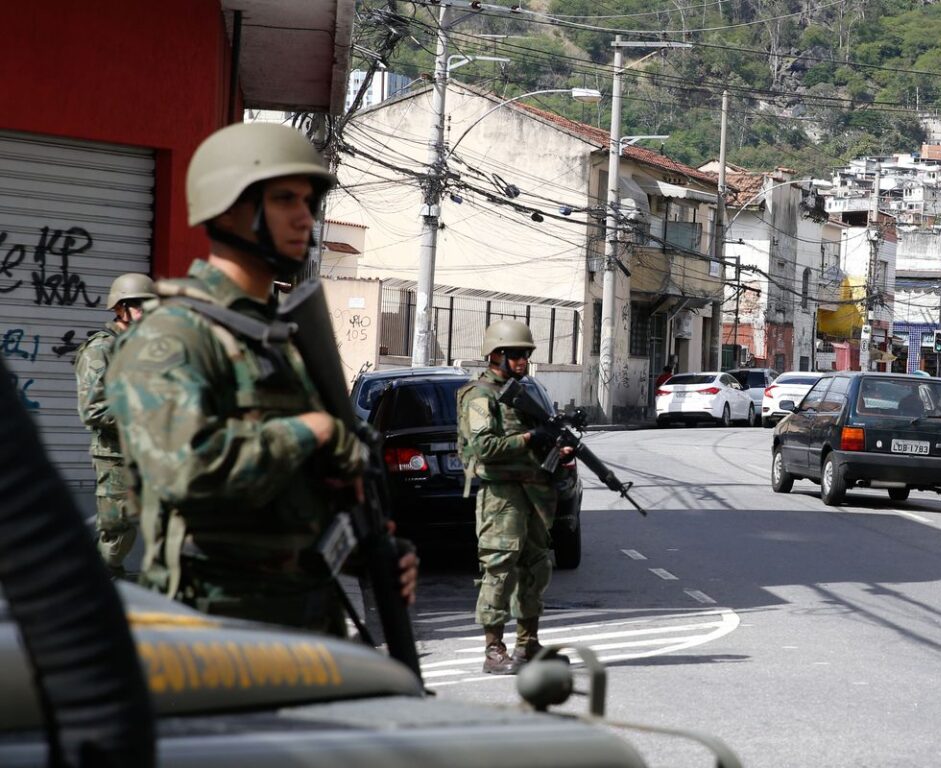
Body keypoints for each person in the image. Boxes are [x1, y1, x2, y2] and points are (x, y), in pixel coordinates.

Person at [107, 123, 416, 634]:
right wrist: (311, 431)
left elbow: (296, 501)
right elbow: (186, 471)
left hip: (309, 624)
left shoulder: (283, 339)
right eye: (284, 200)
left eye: (309, 201)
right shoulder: (173, 337)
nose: (305, 218)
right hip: (216, 634)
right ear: (228, 208)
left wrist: (367, 549)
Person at [457, 319, 571, 674]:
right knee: (500, 570)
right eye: (516, 354)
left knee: (535, 568)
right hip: (502, 496)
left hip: (535, 493)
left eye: (526, 355)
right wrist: (528, 439)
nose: (523, 361)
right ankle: (494, 650)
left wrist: (557, 449)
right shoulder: (480, 396)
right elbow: (485, 447)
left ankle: (528, 646)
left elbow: (538, 438)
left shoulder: (526, 393)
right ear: (495, 354)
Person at [75, 273, 156, 578]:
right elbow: (93, 409)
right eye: (142, 306)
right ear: (121, 309)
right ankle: (100, 588)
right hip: (117, 456)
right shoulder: (101, 350)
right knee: (116, 532)